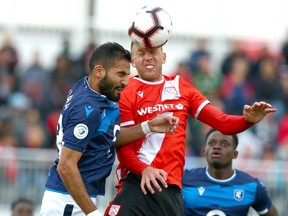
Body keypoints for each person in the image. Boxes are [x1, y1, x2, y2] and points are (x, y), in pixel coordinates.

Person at [104, 41, 277, 216]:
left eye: (153, 51)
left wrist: (247, 120)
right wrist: (144, 169)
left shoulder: (181, 86)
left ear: (163, 57)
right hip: (137, 182)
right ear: (133, 60)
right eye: (141, 53)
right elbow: (122, 145)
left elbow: (222, 122)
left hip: (169, 189)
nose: (148, 57)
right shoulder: (126, 91)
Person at [40, 41, 179, 216]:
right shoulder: (87, 108)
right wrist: (92, 213)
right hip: (68, 201)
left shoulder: (91, 90)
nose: (126, 82)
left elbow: (109, 137)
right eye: (120, 74)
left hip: (77, 197)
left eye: (127, 75)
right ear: (99, 71)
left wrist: (148, 126)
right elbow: (66, 165)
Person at [182, 128, 279, 216]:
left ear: (235, 154)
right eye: (211, 143)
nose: (216, 147)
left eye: (225, 144)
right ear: (204, 151)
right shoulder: (184, 179)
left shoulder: (251, 186)